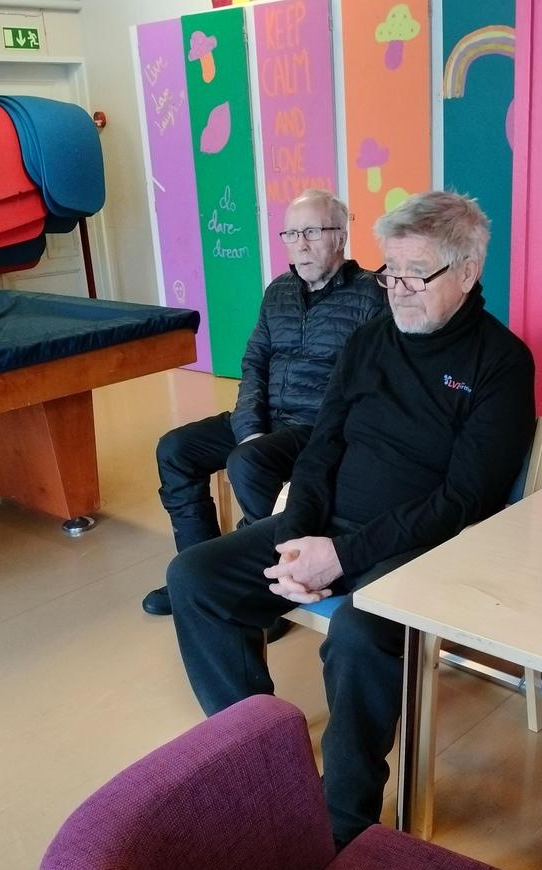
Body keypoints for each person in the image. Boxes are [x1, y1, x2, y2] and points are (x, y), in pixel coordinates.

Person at [167, 191, 536, 848]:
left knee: (360, 637)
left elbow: (464, 501)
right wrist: (294, 540)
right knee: (195, 578)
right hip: (328, 528)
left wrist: (341, 557)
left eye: (415, 275)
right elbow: (320, 449)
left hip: (424, 550)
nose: (397, 291)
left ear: (467, 271)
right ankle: (259, 759)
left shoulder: (501, 363)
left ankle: (344, 822)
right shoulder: (369, 341)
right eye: (390, 273)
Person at [142, 189, 387, 616]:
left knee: (248, 462)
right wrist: (249, 427)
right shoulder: (279, 292)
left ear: (341, 235)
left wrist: (256, 443)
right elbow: (254, 362)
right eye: (291, 234)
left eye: (312, 232)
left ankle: (266, 587)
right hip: (265, 418)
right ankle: (201, 574)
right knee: (176, 449)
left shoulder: (370, 296)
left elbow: (367, 385)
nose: (300, 245)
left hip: (315, 426)